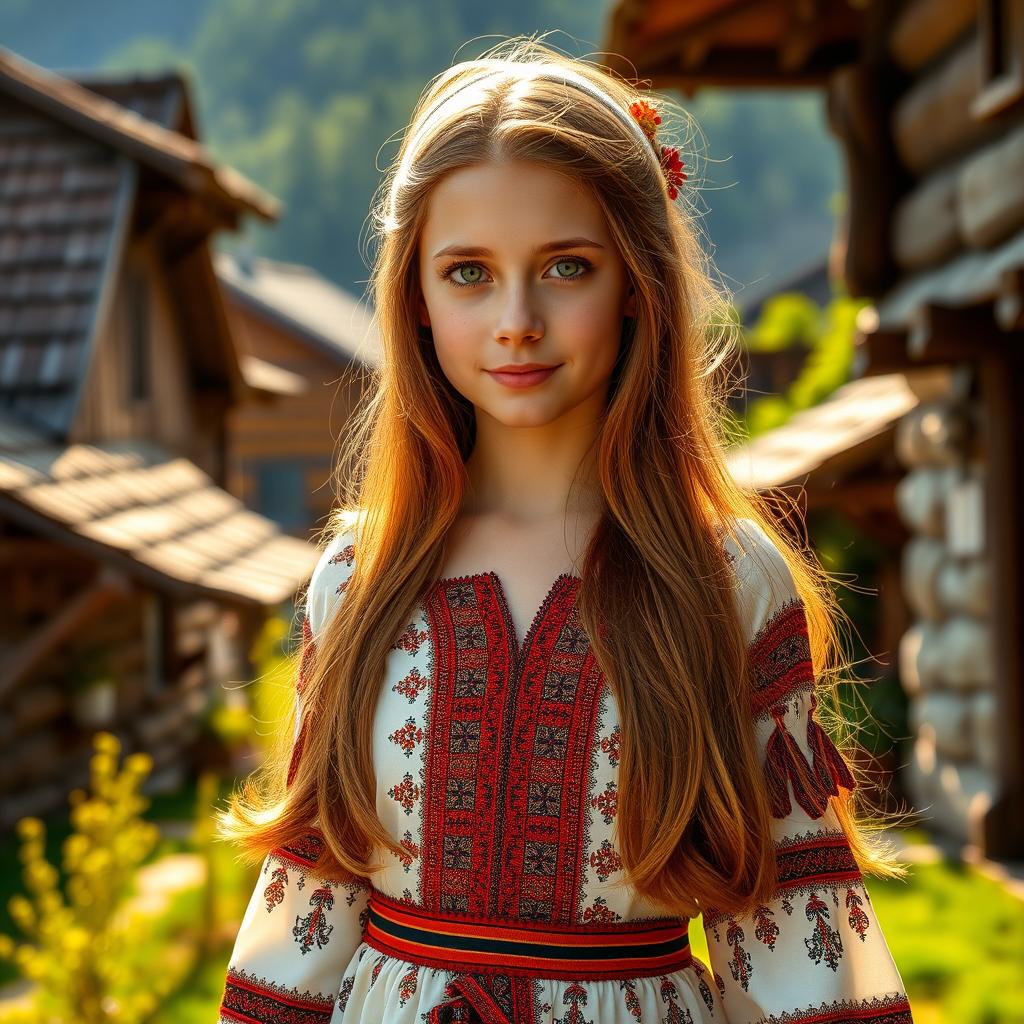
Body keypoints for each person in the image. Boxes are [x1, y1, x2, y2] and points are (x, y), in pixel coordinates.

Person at [215, 34, 915, 1024]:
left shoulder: (725, 581)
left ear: (636, 282)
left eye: (566, 267)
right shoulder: (358, 577)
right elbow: (311, 907)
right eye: (467, 273)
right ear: (413, 296)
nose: (515, 320)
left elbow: (793, 925)